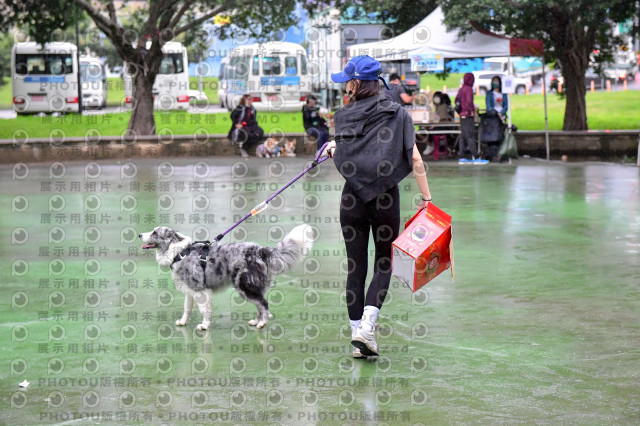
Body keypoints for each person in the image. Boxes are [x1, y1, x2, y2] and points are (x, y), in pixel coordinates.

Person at [323, 55, 432, 359]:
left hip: (351, 199)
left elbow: (347, 155)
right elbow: (415, 159)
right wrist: (426, 199)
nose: (345, 86)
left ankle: (356, 334)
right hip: (385, 198)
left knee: (355, 267)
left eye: (347, 80)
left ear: (356, 83)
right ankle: (366, 330)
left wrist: (334, 149)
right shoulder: (397, 113)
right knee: (384, 262)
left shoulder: (343, 115)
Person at [455, 73, 488, 165]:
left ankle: (462, 157)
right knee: (470, 137)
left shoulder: (462, 88)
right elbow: (469, 101)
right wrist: (471, 111)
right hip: (467, 115)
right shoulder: (469, 89)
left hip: (462, 116)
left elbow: (456, 100)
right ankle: (476, 157)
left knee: (463, 137)